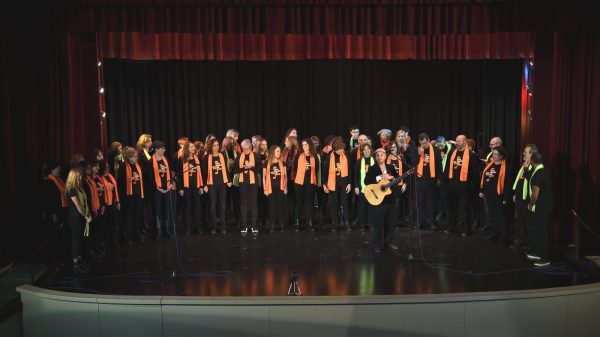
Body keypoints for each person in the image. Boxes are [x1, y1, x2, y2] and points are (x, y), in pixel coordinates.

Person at [364, 148, 400, 253]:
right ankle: (377, 245)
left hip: (390, 199)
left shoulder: (391, 167)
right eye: (377, 155)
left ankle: (389, 242)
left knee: (390, 223)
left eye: (382, 155)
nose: (380, 157)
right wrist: (380, 177)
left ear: (385, 156)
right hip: (378, 200)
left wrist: (392, 177)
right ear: (375, 157)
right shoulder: (372, 168)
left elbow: (397, 178)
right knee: (378, 224)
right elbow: (366, 181)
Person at [445, 135, 478, 236]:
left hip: (464, 185)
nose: (457, 143)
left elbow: (475, 172)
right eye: (456, 141)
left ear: (464, 142)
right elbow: (447, 168)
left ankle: (467, 229)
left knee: (464, 209)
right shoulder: (452, 152)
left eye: (459, 141)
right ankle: (452, 226)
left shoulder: (471, 155)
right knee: (451, 208)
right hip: (452, 184)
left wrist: (473, 185)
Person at [479, 146, 511, 244]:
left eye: (497, 154)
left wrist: (505, 198)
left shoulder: (505, 167)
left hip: (499, 196)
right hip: (489, 195)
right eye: (493, 154)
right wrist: (481, 190)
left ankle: (503, 236)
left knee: (500, 216)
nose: (494, 156)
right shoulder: (490, 165)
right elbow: (485, 178)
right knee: (491, 215)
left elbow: (507, 184)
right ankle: (494, 233)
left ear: (501, 156)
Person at [526, 152, 553, 267]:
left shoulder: (538, 174)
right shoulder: (544, 171)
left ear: (532, 161)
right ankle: (538, 252)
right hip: (546, 206)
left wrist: (530, 204)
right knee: (538, 230)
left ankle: (545, 258)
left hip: (542, 207)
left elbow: (535, 195)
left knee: (542, 232)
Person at [65, 167, 92, 274]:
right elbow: (78, 205)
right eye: (78, 175)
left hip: (81, 216)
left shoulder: (79, 188)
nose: (80, 177)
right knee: (76, 239)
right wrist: (85, 215)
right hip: (75, 217)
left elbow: (85, 202)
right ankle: (75, 263)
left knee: (80, 239)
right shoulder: (71, 189)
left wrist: (88, 213)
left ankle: (80, 260)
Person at [512, 144, 538, 251]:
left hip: (527, 199)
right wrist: (515, 193)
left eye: (526, 152)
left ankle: (530, 244)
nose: (523, 154)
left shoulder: (535, 166)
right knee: (521, 221)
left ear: (532, 154)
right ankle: (523, 241)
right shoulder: (524, 165)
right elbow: (520, 180)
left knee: (528, 222)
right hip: (519, 198)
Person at [203, 138, 232, 234]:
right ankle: (213, 227)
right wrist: (204, 185)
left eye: (217, 145)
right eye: (214, 145)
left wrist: (228, 180)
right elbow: (204, 172)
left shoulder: (222, 155)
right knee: (212, 206)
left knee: (223, 205)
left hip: (222, 183)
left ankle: (223, 226)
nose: (216, 147)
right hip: (211, 184)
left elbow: (226, 169)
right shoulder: (207, 157)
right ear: (210, 146)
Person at [234, 139, 262, 236]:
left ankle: (254, 226)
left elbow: (259, 169)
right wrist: (244, 168)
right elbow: (235, 170)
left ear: (250, 147)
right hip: (242, 182)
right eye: (243, 149)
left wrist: (251, 167)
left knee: (254, 203)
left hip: (253, 182)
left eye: (246, 149)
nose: (244, 151)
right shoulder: (239, 156)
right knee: (243, 203)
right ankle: (244, 226)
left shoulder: (255, 156)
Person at [323, 137, 351, 232]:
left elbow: (350, 171)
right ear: (334, 149)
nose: (341, 151)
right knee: (334, 204)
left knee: (344, 203)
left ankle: (346, 223)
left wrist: (349, 183)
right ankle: (334, 224)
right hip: (333, 183)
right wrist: (324, 184)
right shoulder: (329, 157)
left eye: (342, 149)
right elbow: (325, 172)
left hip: (343, 182)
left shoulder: (346, 155)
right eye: (339, 149)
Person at [117, 147, 145, 244]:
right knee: (128, 217)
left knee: (137, 215)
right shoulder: (123, 167)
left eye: (137, 156)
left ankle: (136, 233)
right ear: (129, 157)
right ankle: (126, 235)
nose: (137, 158)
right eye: (135, 156)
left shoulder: (138, 166)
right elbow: (120, 184)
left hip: (138, 195)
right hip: (128, 197)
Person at [416, 133, 442, 230]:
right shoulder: (418, 150)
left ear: (429, 140)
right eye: (422, 143)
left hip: (432, 180)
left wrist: (440, 179)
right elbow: (414, 164)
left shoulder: (436, 150)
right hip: (420, 179)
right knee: (420, 202)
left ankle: (432, 223)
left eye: (425, 143)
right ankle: (420, 223)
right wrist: (419, 155)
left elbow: (439, 166)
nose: (424, 145)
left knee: (432, 202)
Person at [292, 138, 320, 231]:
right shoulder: (298, 156)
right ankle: (297, 223)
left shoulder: (314, 156)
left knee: (309, 203)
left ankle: (309, 223)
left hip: (310, 183)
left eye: (306, 145)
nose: (304, 147)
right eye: (303, 145)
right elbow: (295, 168)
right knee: (299, 203)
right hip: (299, 182)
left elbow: (316, 170)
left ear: (310, 146)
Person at [178, 141, 204, 235]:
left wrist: (201, 186)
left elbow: (201, 173)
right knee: (188, 206)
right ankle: (188, 228)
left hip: (196, 185)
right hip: (186, 186)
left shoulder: (197, 159)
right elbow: (179, 175)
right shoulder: (182, 159)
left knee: (197, 206)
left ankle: (197, 226)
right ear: (187, 148)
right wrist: (180, 188)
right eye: (192, 147)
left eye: (193, 147)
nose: (194, 148)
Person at [150, 140, 174, 239]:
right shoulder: (150, 161)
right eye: (162, 148)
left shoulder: (166, 159)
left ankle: (165, 230)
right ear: (156, 149)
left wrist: (170, 185)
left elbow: (170, 173)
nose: (164, 150)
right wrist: (159, 189)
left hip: (167, 188)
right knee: (157, 210)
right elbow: (150, 178)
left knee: (166, 210)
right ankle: (157, 231)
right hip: (157, 190)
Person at [263, 145, 287, 232]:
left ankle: (281, 224)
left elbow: (285, 176)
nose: (279, 153)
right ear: (273, 152)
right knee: (272, 206)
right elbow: (264, 176)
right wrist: (265, 188)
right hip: (270, 187)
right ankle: (272, 225)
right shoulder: (267, 162)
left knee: (280, 206)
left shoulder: (282, 162)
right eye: (277, 151)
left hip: (280, 187)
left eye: (280, 151)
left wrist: (285, 187)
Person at [387, 142, 409, 227]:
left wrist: (405, 184)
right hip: (389, 185)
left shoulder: (401, 158)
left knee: (398, 204)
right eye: (391, 147)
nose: (393, 149)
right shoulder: (386, 158)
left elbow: (406, 171)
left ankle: (397, 221)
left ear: (397, 148)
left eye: (394, 147)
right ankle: (390, 220)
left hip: (399, 184)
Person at [99, 160, 120, 248]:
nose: (107, 168)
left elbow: (115, 190)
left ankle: (114, 240)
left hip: (113, 202)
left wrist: (118, 201)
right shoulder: (99, 178)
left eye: (108, 166)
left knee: (114, 223)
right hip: (106, 204)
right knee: (106, 224)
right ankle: (106, 242)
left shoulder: (110, 176)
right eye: (106, 167)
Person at [354, 143, 375, 232]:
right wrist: (356, 187)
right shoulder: (359, 162)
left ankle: (371, 224)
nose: (367, 151)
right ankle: (362, 225)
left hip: (373, 189)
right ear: (362, 151)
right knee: (362, 207)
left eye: (368, 149)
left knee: (371, 208)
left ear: (371, 150)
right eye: (364, 149)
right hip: (362, 188)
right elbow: (355, 176)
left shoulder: (375, 161)